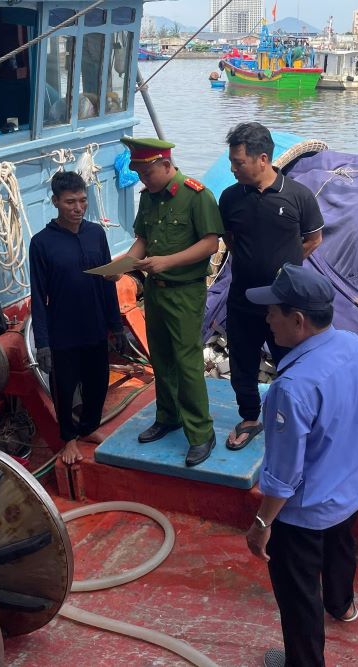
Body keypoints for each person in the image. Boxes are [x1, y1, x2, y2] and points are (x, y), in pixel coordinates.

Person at [243, 264, 358, 667]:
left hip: (304, 514)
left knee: (299, 596)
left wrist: (261, 524)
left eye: (273, 312)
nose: (268, 319)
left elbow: (284, 475)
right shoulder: (355, 345)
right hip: (348, 491)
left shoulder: (292, 386)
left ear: (298, 320)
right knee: (340, 552)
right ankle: (343, 606)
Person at [115, 136, 224, 467]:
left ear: (165, 165)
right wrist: (122, 266)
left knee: (187, 362)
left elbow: (210, 244)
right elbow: (143, 240)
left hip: (185, 291)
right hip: (156, 291)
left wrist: (167, 261)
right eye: (140, 174)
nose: (143, 180)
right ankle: (168, 416)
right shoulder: (149, 197)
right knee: (161, 358)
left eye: (147, 173)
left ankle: (201, 433)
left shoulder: (197, 196)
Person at [218, 122, 324, 451]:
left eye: (238, 162)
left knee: (292, 362)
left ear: (262, 159)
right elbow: (229, 239)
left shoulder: (298, 196)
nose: (233, 169)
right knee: (242, 363)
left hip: (286, 304)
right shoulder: (230, 197)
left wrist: (286, 269)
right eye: (232, 162)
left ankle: (296, 418)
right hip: (243, 299)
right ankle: (250, 418)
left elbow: (313, 239)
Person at [29, 171, 123, 465]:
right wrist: (42, 343)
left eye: (83, 201)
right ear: (55, 201)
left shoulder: (96, 234)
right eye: (70, 202)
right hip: (63, 331)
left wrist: (116, 326)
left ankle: (89, 427)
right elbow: (38, 296)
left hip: (95, 325)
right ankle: (68, 438)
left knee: (98, 383)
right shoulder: (41, 243)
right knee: (65, 388)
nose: (78, 208)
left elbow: (108, 282)